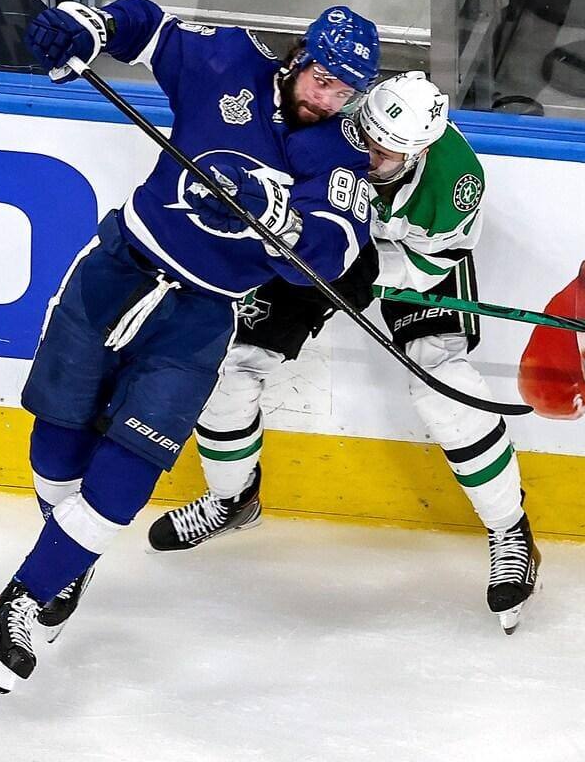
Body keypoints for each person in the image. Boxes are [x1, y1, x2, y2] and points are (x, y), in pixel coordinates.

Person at [0, 0, 379, 692]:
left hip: (200, 318)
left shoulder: (340, 156)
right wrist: (91, 26)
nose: (328, 99)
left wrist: (280, 220)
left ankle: (22, 600)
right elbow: (147, 27)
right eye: (323, 79)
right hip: (117, 271)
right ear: (299, 56)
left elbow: (333, 250)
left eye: (344, 91)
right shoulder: (229, 61)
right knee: (57, 443)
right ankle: (66, 564)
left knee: (135, 465)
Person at [147, 72, 540, 635]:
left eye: (388, 151)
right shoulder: (326, 125)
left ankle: (510, 529)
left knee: (444, 385)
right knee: (229, 372)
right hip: (315, 242)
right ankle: (233, 500)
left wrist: (367, 270)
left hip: (406, 259)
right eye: (367, 137)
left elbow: (432, 263)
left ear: (420, 151)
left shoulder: (455, 180)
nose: (371, 155)